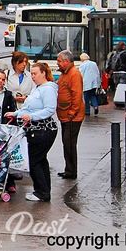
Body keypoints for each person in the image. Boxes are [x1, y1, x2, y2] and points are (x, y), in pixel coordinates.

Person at [5, 62, 58, 202]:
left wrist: (31, 116)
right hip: (35, 129)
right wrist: (16, 114)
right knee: (41, 160)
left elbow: (50, 109)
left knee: (34, 161)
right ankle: (44, 191)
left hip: (43, 130)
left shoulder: (48, 89)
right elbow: (28, 107)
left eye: (35, 74)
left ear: (44, 74)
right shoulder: (38, 88)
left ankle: (41, 192)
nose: (32, 77)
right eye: (32, 73)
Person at [55, 51, 84, 180]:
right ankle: (69, 169)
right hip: (65, 115)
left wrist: (72, 112)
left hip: (72, 117)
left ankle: (72, 171)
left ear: (67, 61)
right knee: (66, 143)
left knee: (69, 143)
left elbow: (76, 95)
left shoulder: (74, 74)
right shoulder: (64, 74)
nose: (57, 64)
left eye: (59, 61)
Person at [78, 52, 101, 116]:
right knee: (93, 95)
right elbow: (97, 73)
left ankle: (87, 111)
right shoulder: (94, 63)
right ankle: (95, 106)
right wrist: (98, 83)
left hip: (86, 84)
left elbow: (80, 74)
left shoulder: (82, 65)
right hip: (94, 83)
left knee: (86, 98)